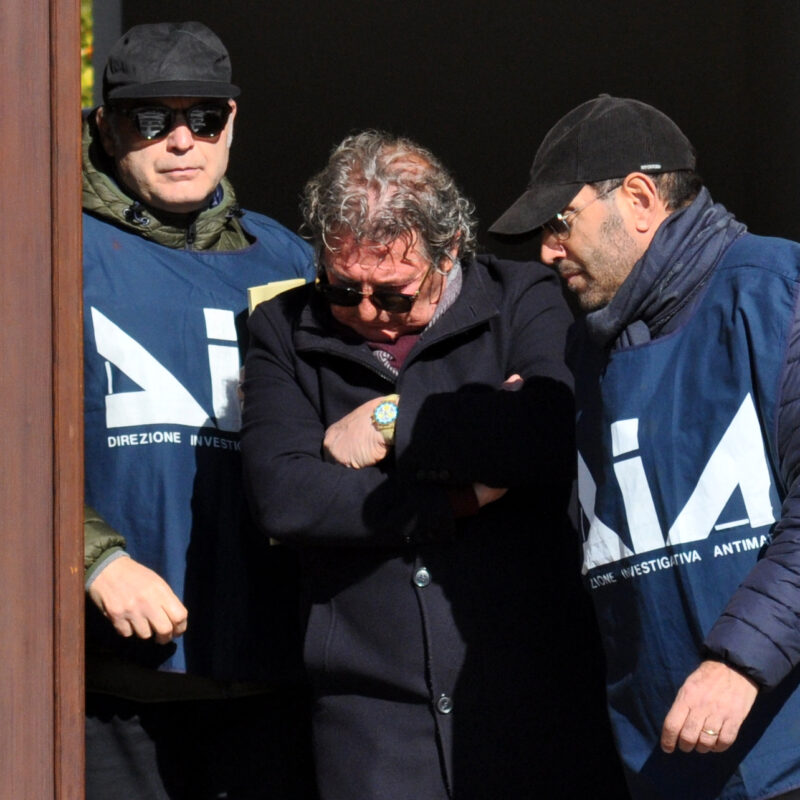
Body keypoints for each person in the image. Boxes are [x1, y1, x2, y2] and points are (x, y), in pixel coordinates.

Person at [240, 130, 625, 799]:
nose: (366, 315)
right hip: (370, 722)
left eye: (392, 295)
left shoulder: (522, 297)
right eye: (341, 289)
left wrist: (393, 421)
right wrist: (457, 500)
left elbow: (544, 433)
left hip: (531, 703)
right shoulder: (283, 329)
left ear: (450, 252)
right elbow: (287, 494)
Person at [490, 93, 800, 800]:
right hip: (663, 774)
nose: (546, 250)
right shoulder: (583, 356)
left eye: (559, 222)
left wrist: (739, 664)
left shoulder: (778, 290)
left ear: (636, 198)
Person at [82, 21, 316, 799]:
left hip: (267, 679)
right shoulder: (46, 248)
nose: (182, 140)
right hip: (103, 692)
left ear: (231, 125)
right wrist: (94, 559)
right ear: (106, 127)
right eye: (152, 119)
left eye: (204, 118)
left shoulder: (290, 262)